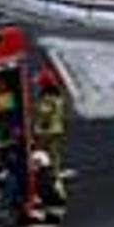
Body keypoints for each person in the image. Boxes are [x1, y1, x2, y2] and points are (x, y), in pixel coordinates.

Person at [32, 68, 69, 212]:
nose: (38, 86)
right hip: (54, 133)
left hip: (46, 135)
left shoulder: (47, 99)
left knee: (46, 169)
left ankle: (56, 196)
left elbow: (44, 118)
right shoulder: (57, 96)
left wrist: (37, 139)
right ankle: (57, 195)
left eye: (40, 83)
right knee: (54, 166)